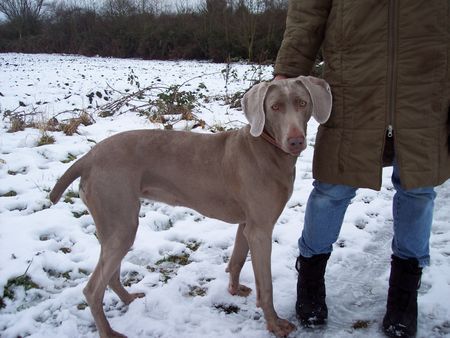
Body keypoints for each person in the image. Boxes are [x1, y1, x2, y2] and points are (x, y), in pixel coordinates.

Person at [273, 1, 450, 337]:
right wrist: (288, 70)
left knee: (419, 190)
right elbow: (309, 10)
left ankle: (403, 296)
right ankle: (309, 279)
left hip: (426, 83)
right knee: (331, 188)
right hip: (354, 83)